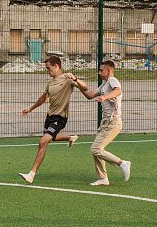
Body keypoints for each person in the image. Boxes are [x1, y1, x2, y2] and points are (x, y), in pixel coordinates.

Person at [66, 60, 131, 186]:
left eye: (102, 70)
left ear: (109, 71)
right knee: (97, 149)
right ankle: (103, 178)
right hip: (106, 122)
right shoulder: (104, 84)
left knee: (96, 149)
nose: (99, 72)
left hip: (113, 122)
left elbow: (118, 91)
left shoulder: (112, 80)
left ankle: (122, 163)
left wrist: (105, 97)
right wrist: (76, 82)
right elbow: (90, 95)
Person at [19, 55, 79, 184]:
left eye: (48, 68)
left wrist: (75, 78)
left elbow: (85, 87)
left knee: (43, 142)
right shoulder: (50, 82)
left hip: (60, 117)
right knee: (52, 137)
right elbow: (44, 97)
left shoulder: (68, 79)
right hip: (50, 116)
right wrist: (30, 109)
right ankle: (70, 137)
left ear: (56, 66)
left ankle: (31, 174)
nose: (47, 71)